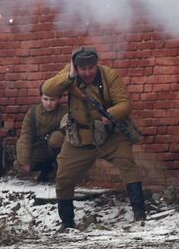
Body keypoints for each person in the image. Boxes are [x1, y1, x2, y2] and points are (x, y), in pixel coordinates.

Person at [43, 46, 144, 228]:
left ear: (97, 64)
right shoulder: (69, 75)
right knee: (64, 177)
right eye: (83, 68)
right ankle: (67, 222)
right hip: (79, 137)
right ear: (76, 67)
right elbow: (48, 89)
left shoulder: (109, 76)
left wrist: (111, 113)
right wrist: (70, 75)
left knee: (128, 166)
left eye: (91, 67)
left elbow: (125, 104)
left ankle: (140, 215)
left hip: (110, 135)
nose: (88, 72)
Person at [17, 84, 66, 183]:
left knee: (56, 139)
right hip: (39, 148)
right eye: (45, 99)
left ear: (59, 99)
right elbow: (26, 136)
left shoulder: (64, 112)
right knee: (18, 165)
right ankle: (46, 169)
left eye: (52, 100)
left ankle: (59, 169)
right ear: (40, 97)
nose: (49, 103)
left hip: (57, 149)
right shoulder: (33, 113)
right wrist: (24, 161)